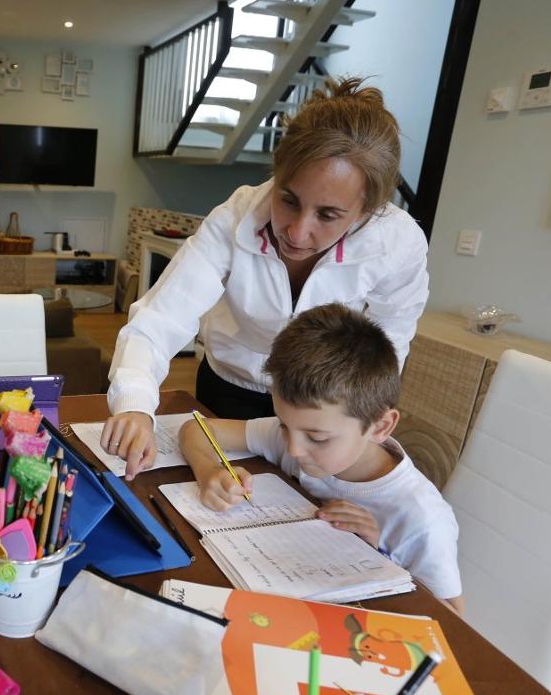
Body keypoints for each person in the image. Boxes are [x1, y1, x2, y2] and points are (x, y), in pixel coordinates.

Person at [103, 77, 429, 478]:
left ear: (366, 211)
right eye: (288, 200)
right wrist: (135, 404)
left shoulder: (397, 242)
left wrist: (355, 425)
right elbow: (160, 319)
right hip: (230, 390)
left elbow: (390, 341)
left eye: (327, 215)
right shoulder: (233, 218)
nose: (296, 231)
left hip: (324, 412)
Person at [177, 304, 462, 613]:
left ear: (379, 426)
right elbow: (196, 429)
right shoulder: (295, 436)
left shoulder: (422, 518)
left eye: (318, 438)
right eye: (284, 425)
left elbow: (453, 618)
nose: (295, 449)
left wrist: (381, 557)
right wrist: (208, 471)